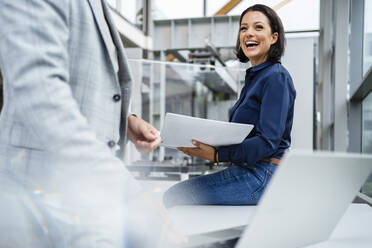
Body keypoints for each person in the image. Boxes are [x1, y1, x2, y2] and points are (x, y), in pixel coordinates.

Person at [0, 0, 184, 247]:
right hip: (39, 198)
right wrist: (127, 191)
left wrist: (127, 119)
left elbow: (84, 77)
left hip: (81, 200)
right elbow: (41, 97)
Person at [163, 4, 296, 207]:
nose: (249, 33)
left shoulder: (275, 77)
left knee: (176, 196)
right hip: (247, 170)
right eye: (244, 28)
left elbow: (268, 142)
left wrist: (217, 154)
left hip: (261, 175)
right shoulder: (255, 78)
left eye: (258, 27)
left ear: (274, 37)